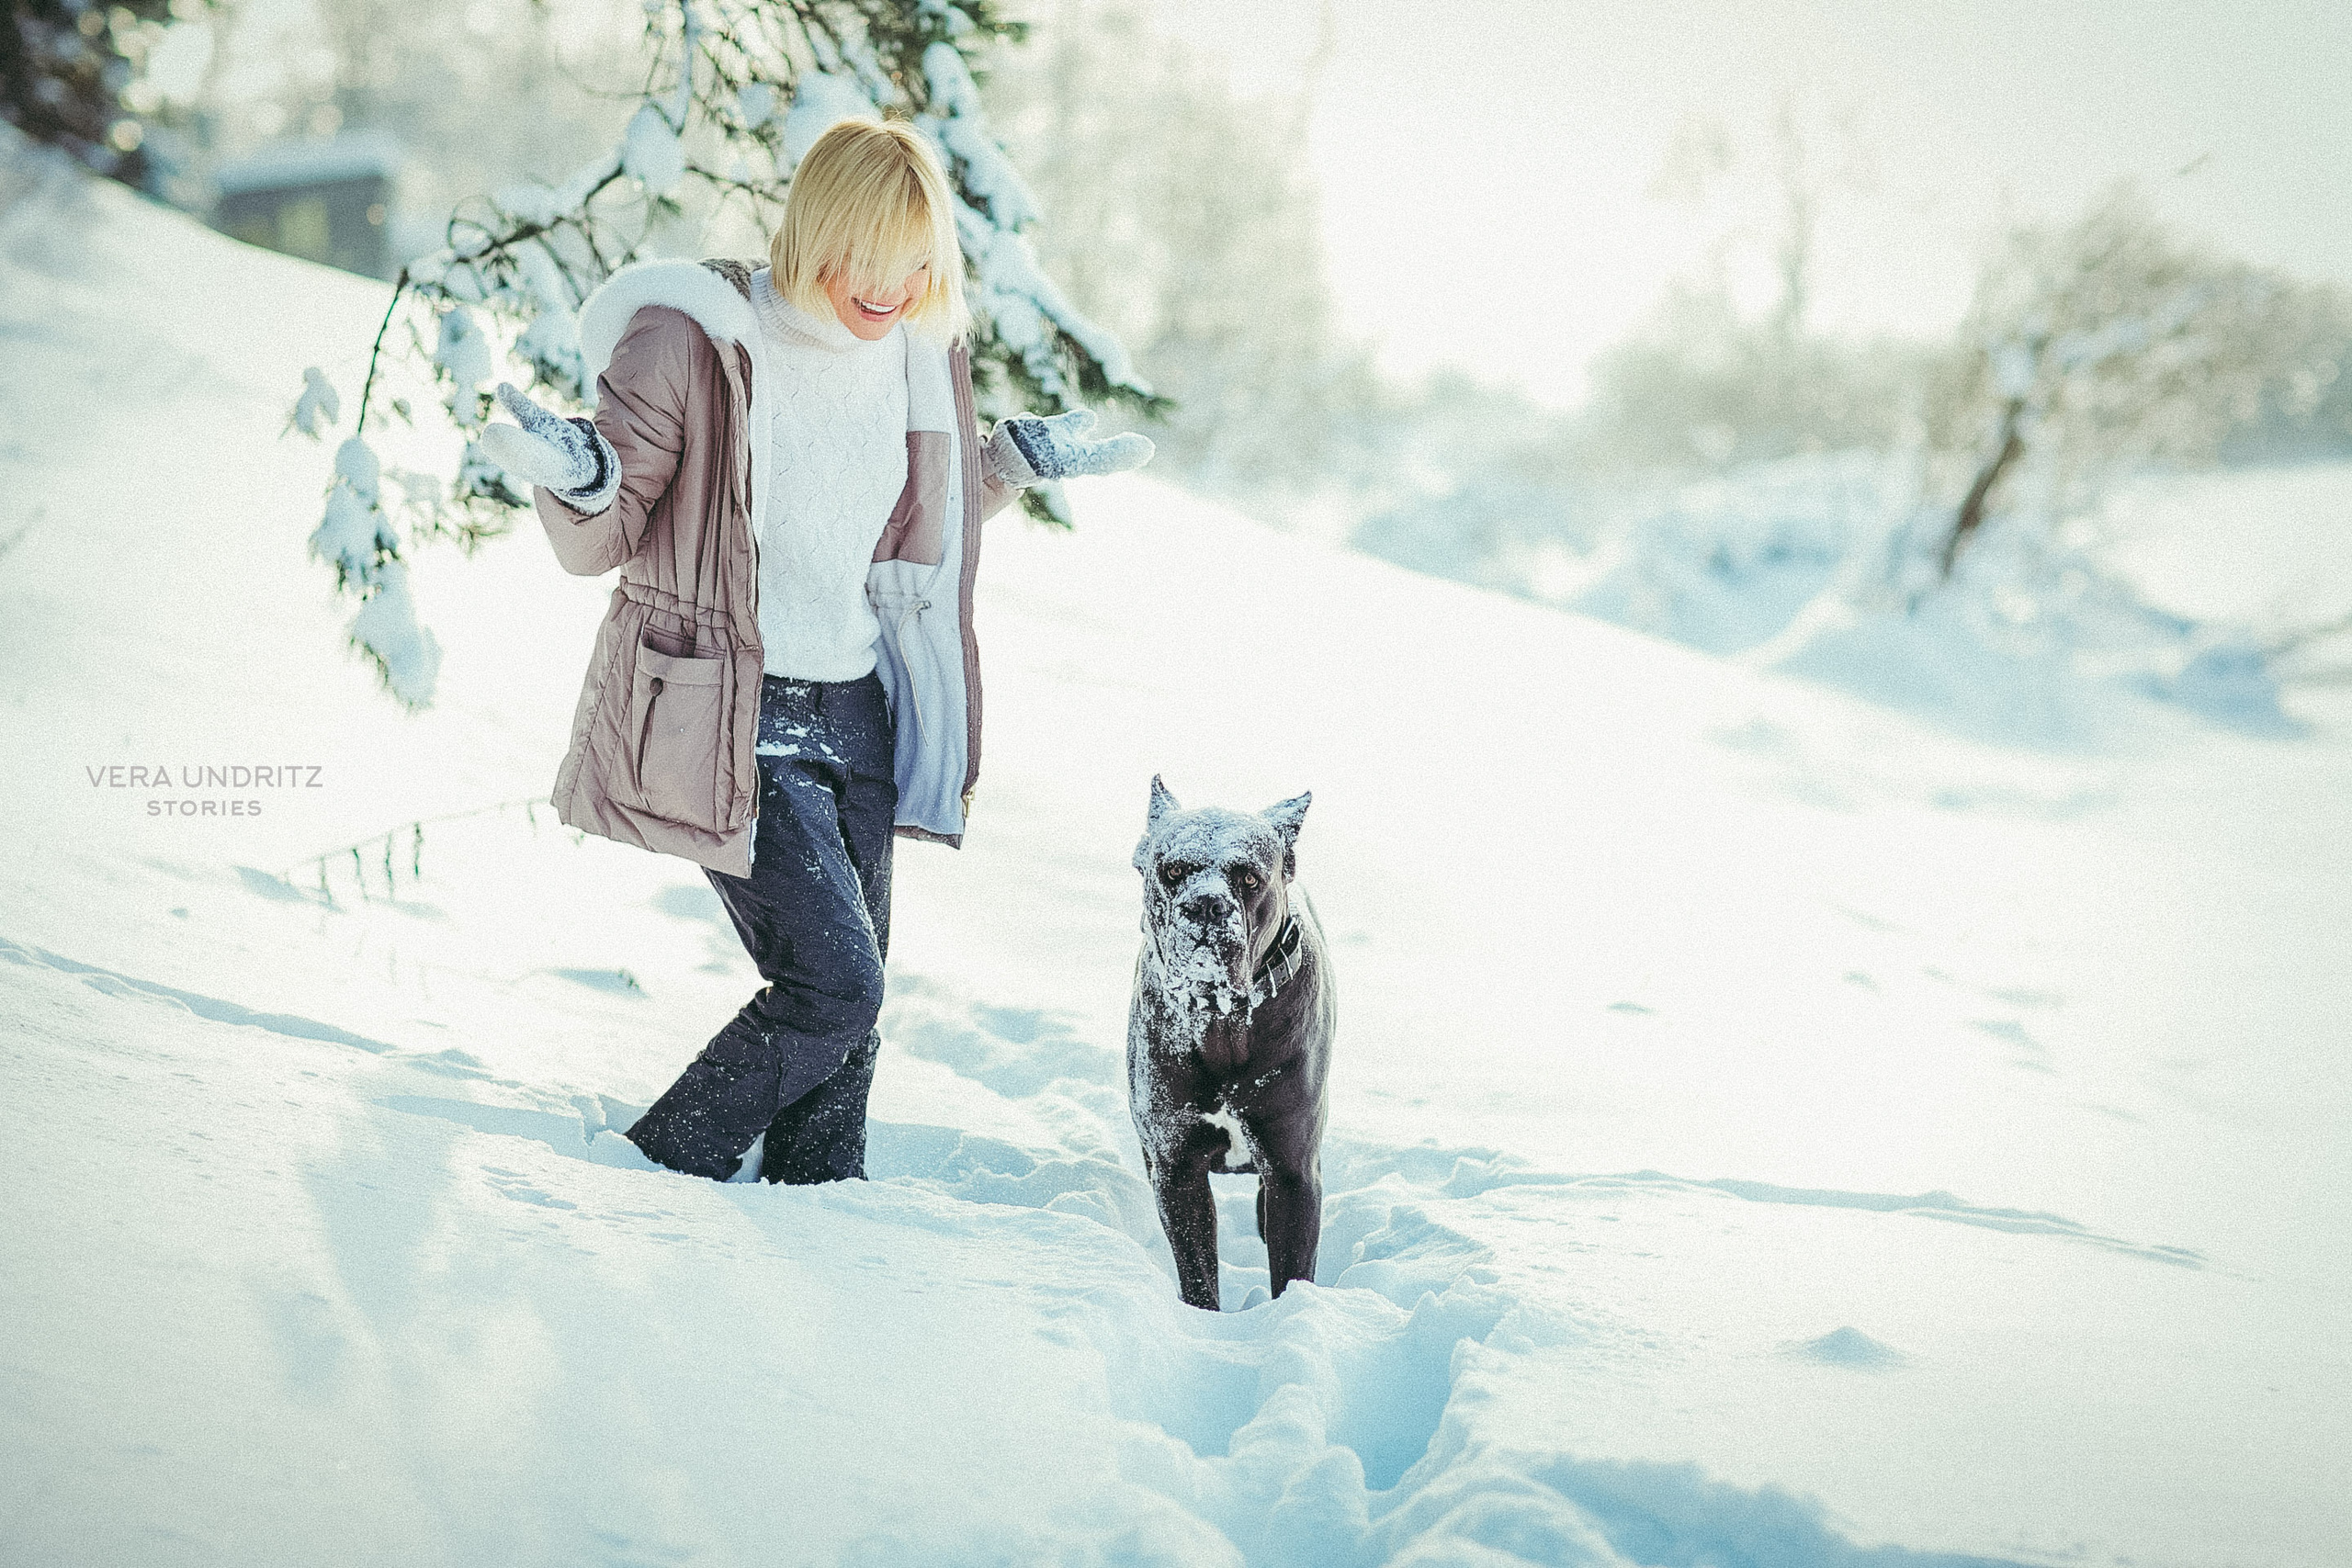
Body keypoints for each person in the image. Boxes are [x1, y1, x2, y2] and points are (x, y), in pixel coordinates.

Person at [481, 115, 1153, 1183]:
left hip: (857, 713)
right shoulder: (697, 337)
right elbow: (606, 528)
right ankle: (652, 1174)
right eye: (863, 260)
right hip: (732, 710)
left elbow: (898, 521)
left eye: (914, 263)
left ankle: (820, 1210)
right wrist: (576, 470)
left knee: (851, 1018)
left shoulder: (916, 359)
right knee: (836, 990)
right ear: (813, 232)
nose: (887, 289)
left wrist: (1006, 466)